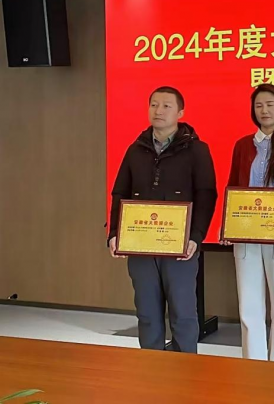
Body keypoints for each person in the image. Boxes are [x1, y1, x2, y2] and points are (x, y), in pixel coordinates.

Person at [108, 86, 218, 353]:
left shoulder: (197, 150)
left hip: (180, 246)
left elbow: (206, 194)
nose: (159, 110)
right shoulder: (136, 149)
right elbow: (120, 192)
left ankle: (184, 369)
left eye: (167, 105)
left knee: (183, 314)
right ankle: (151, 368)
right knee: (147, 313)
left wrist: (196, 236)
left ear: (180, 112)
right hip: (141, 244)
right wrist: (114, 233)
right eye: (154, 104)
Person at [223, 84, 274, 362]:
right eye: (259, 105)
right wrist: (228, 224)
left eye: (270, 104)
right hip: (246, 235)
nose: (264, 110)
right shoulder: (242, 145)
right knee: (249, 307)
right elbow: (233, 187)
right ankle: (254, 366)